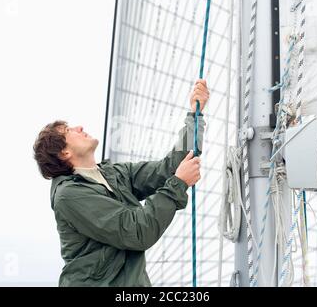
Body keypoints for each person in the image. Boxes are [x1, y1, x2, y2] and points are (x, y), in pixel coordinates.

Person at [33, 79, 209, 286]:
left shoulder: (114, 174)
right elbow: (137, 232)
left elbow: (169, 168)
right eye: (69, 130)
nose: (79, 127)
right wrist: (178, 183)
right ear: (64, 152)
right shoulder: (70, 195)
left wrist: (194, 115)